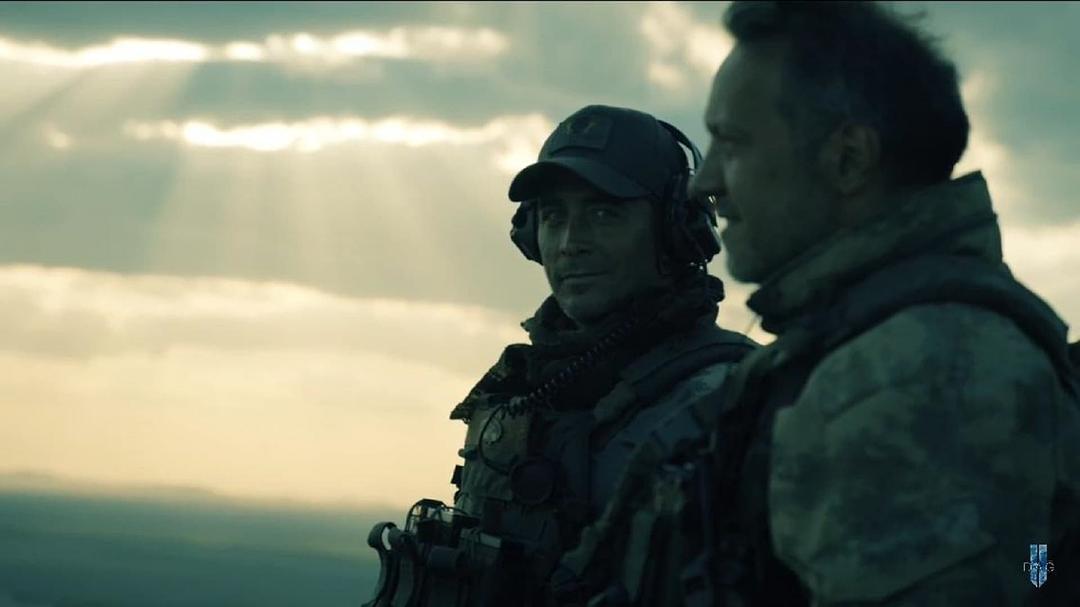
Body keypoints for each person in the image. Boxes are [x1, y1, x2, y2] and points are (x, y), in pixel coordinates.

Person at [559, 2, 1080, 605]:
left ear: (848, 160)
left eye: (732, 144)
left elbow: (1033, 571)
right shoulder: (867, 347)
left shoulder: (914, 375)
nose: (705, 184)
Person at [363, 104, 755, 607]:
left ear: (676, 231)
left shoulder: (732, 401)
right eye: (553, 217)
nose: (570, 243)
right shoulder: (524, 392)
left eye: (603, 214)